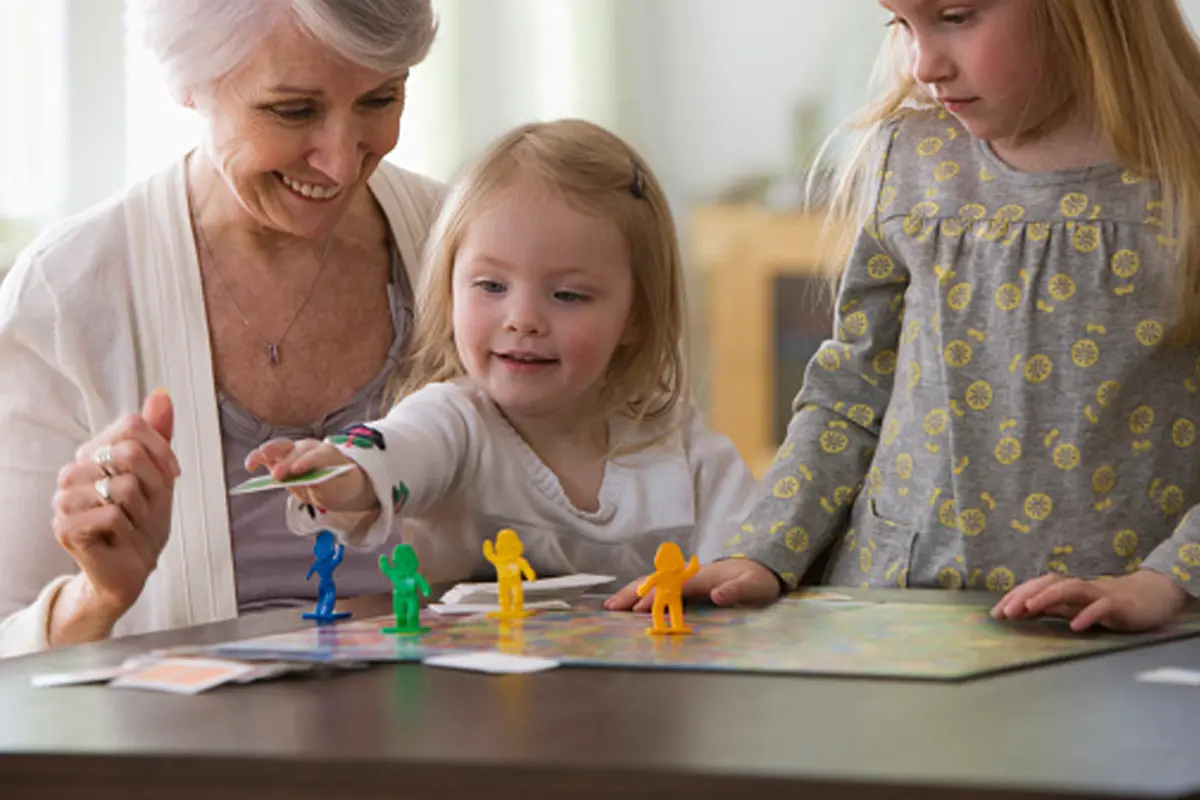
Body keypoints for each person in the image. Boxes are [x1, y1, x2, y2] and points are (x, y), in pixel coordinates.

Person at [612, 0, 1200, 631]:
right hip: (897, 607)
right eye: (901, 25)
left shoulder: (1183, 175)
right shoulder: (911, 158)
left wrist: (1169, 579)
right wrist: (765, 548)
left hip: (1108, 632)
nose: (924, 65)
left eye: (956, 16)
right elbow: (852, 390)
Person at [0, 0, 443, 658]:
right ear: (189, 82)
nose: (341, 163)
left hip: (451, 735)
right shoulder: (67, 292)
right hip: (195, 754)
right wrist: (100, 594)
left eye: (381, 99)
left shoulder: (463, 245)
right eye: (293, 110)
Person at [245, 119, 759, 590]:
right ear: (450, 291)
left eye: (568, 295)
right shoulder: (456, 419)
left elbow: (755, 550)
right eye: (491, 285)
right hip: (471, 690)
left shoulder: (681, 443)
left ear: (636, 316)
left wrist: (751, 571)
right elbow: (397, 450)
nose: (522, 319)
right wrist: (342, 472)